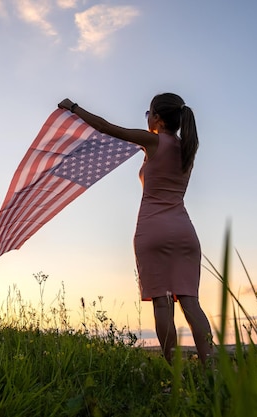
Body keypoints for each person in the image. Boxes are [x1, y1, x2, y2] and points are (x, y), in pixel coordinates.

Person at [58, 93, 213, 364]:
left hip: (154, 230)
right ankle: (213, 371)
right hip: (185, 232)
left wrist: (73, 107)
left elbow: (107, 128)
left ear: (157, 117)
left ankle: (175, 375)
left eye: (148, 112)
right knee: (191, 303)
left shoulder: (152, 141)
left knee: (163, 303)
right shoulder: (187, 147)